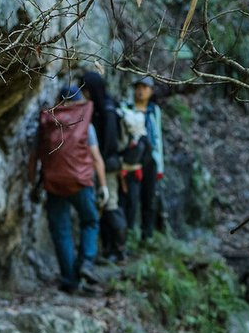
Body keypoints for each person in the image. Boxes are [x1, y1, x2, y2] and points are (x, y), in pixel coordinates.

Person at [28, 84, 109, 293]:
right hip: (80, 183)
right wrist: (104, 187)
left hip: (53, 184)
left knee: (60, 230)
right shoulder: (85, 124)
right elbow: (96, 158)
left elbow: (34, 157)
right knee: (90, 221)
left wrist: (32, 184)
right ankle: (86, 264)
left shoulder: (47, 123)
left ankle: (70, 280)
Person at [81, 70, 128, 263]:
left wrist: (99, 160)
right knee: (103, 206)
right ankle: (108, 249)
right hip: (102, 163)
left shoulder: (107, 110)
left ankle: (119, 250)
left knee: (110, 205)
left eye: (85, 89)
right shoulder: (103, 107)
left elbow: (109, 144)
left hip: (107, 165)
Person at [120, 76, 165, 242]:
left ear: (151, 91)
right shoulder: (127, 108)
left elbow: (157, 137)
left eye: (145, 87)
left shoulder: (154, 111)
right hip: (132, 160)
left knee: (149, 197)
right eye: (138, 87)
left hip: (150, 159)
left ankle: (148, 234)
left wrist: (160, 166)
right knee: (131, 197)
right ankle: (129, 234)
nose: (141, 91)